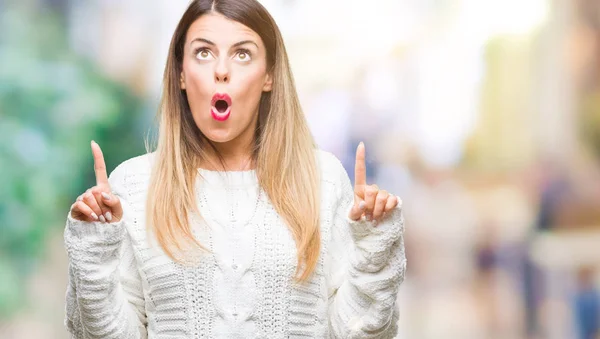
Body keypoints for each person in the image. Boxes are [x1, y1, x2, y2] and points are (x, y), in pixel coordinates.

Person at [63, 0, 406, 338]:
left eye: (242, 53)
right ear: (181, 74)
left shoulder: (323, 179)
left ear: (269, 75)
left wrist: (373, 249)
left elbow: (358, 333)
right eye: (203, 52)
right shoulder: (135, 186)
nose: (221, 70)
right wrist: (95, 251)